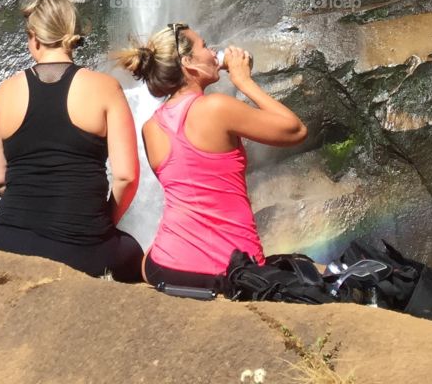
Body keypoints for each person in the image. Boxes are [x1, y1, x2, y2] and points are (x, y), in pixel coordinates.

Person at [114, 21, 308, 290]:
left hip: (163, 266)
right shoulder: (216, 108)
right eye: (205, 46)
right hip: (226, 270)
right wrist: (244, 81)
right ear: (189, 63)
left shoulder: (151, 127)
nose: (213, 51)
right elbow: (295, 130)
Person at [0, 0, 144, 282]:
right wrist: (103, 221)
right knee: (133, 254)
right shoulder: (105, 87)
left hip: (13, 240)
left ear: (34, 37)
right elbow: (126, 177)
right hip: (83, 246)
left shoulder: (5, 91)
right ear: (73, 36)